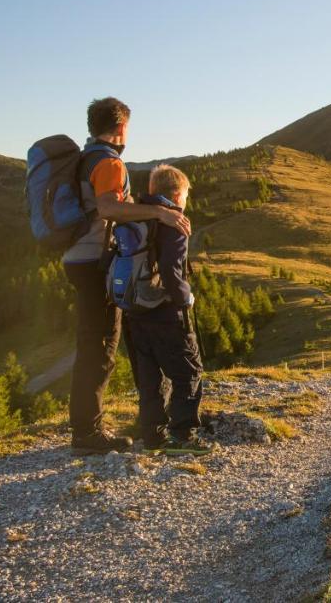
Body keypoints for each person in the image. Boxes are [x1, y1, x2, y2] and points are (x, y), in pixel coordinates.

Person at [63, 97, 191, 455]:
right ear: (121, 127)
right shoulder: (108, 161)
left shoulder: (86, 157)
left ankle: (86, 428)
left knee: (94, 342)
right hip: (94, 261)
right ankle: (87, 434)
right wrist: (160, 214)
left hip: (77, 257)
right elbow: (108, 208)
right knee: (100, 346)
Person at [126, 164, 209, 454]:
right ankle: (183, 436)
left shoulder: (133, 215)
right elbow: (173, 272)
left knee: (150, 377)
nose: (185, 201)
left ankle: (152, 436)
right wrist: (185, 298)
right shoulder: (173, 221)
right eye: (185, 195)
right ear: (176, 194)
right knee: (188, 371)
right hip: (164, 310)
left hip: (135, 310)